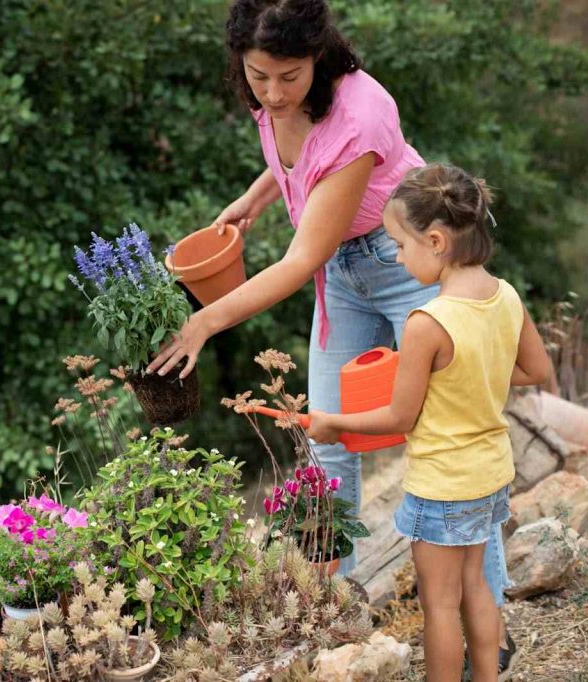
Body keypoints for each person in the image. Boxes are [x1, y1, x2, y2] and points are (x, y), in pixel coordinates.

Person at [145, 0, 520, 675]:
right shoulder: (270, 96)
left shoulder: (359, 111)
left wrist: (205, 318)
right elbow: (297, 155)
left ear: (318, 56)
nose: (274, 93)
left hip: (409, 258)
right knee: (326, 438)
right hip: (345, 273)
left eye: (289, 76)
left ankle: (485, 630)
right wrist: (258, 197)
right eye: (258, 76)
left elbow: (300, 259)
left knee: (455, 437)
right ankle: (330, 613)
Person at [306, 163, 552, 681]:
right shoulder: (504, 295)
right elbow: (537, 369)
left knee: (439, 605)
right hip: (489, 475)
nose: (396, 256)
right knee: (477, 589)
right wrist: (475, 368)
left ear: (436, 240)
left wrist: (334, 423)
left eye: (399, 245)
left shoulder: (428, 323)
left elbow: (400, 416)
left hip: (443, 484)